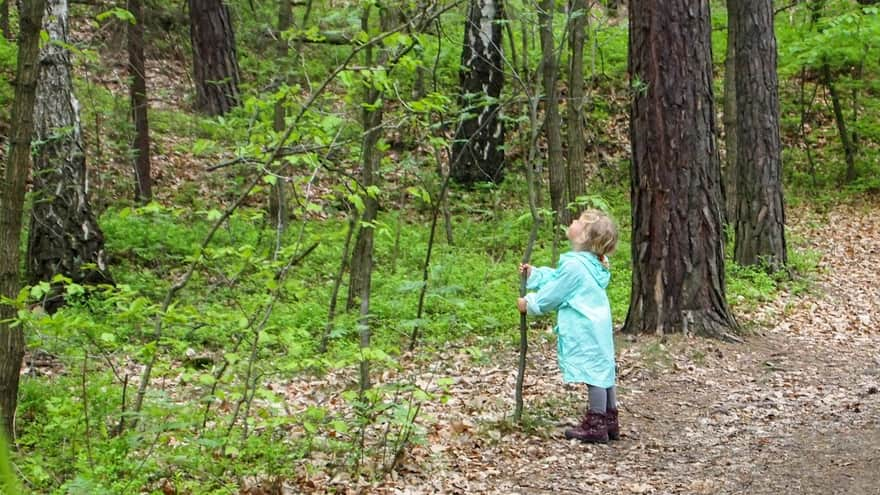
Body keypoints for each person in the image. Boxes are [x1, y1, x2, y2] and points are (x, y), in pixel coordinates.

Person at [517, 209, 620, 443]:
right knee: (604, 371)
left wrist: (531, 303)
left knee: (594, 375)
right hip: (598, 327)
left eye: (578, 222)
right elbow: (559, 279)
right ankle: (609, 419)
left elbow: (556, 291)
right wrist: (536, 275)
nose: (572, 221)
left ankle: (596, 424)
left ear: (583, 237)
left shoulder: (575, 267)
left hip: (585, 328)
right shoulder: (591, 264)